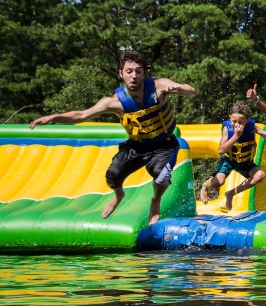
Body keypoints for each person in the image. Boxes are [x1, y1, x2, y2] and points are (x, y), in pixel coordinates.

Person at [28, 51, 196, 225]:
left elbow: (191, 91)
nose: (134, 76)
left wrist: (180, 89)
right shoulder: (114, 102)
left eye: (138, 71)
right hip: (137, 146)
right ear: (120, 73)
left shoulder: (159, 86)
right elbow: (81, 115)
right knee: (112, 176)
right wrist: (53, 117)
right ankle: (119, 195)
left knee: (161, 177)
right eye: (129, 71)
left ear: (143, 74)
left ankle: (156, 200)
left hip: (164, 144)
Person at [199, 101, 266, 213]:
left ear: (247, 120)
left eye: (241, 121)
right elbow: (221, 150)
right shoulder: (227, 129)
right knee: (219, 182)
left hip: (245, 162)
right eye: (234, 121)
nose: (237, 124)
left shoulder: (251, 126)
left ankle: (231, 193)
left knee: (260, 175)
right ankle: (205, 186)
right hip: (229, 161)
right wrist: (236, 136)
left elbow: (262, 132)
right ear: (230, 117)